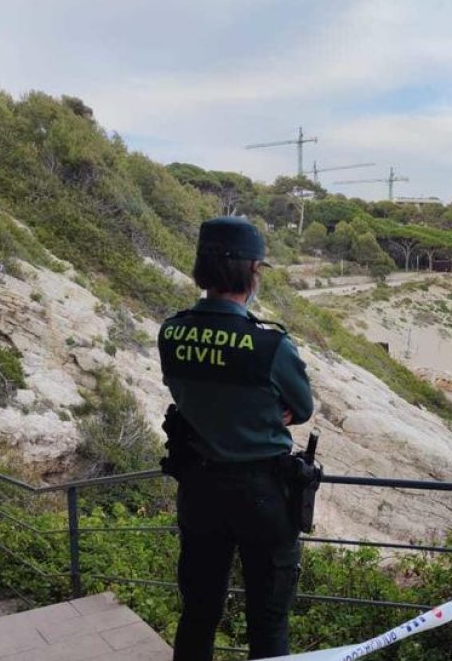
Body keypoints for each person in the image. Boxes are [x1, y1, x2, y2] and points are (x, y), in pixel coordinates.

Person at [157, 216, 314, 660]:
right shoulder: (270, 346)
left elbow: (186, 392)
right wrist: (267, 410)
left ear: (200, 271)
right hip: (262, 495)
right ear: (252, 272)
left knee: (199, 612)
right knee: (267, 619)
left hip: (199, 489)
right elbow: (300, 409)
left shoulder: (172, 332)